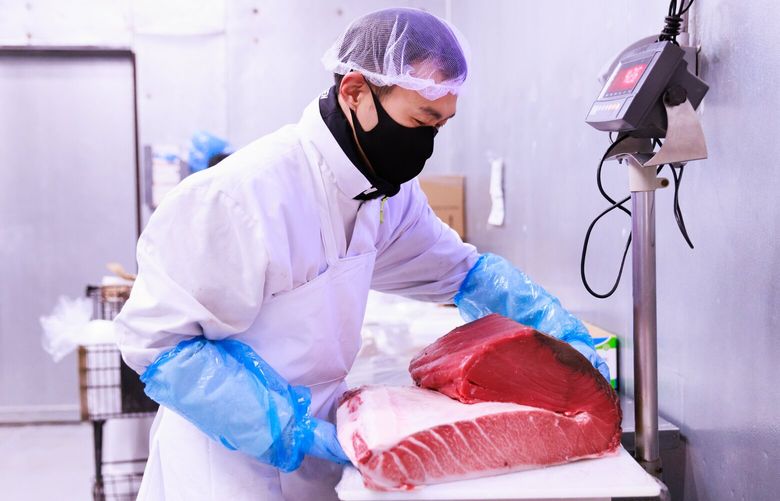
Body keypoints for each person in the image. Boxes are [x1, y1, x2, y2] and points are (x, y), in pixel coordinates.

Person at [115, 8, 609, 501]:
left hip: (323, 452)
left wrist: (559, 335)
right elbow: (158, 342)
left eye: (441, 124)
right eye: (421, 119)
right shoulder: (245, 194)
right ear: (355, 92)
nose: (427, 143)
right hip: (223, 464)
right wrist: (285, 430)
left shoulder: (386, 193)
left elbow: (463, 274)